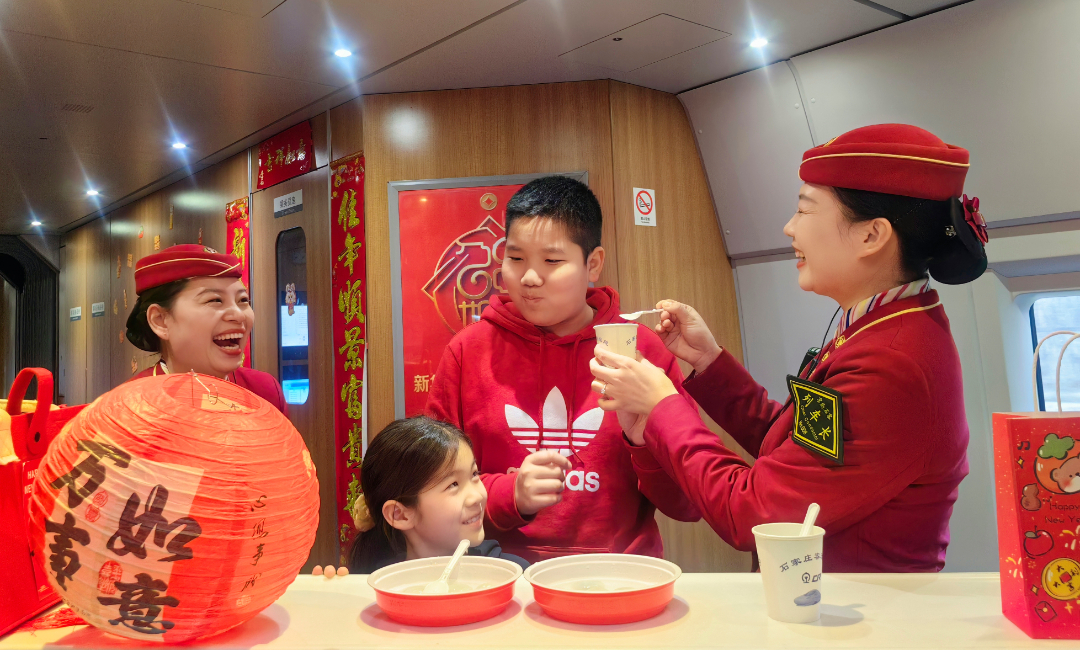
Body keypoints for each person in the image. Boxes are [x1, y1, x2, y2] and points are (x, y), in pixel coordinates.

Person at [590, 124, 988, 572]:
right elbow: (796, 448)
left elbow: (754, 513)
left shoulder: (893, 363)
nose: (789, 227)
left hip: (861, 608)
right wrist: (709, 361)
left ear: (871, 236)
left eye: (804, 210)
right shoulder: (882, 325)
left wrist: (663, 405)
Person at [427, 175, 700, 564]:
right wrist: (510, 494)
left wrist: (643, 444)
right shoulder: (468, 351)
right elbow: (432, 489)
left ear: (593, 264)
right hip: (500, 570)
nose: (529, 277)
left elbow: (689, 502)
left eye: (552, 261)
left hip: (618, 572)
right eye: (515, 258)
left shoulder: (640, 350)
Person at [344, 416, 529, 573]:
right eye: (453, 484)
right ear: (399, 514)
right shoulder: (375, 587)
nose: (478, 496)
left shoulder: (512, 575)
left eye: (474, 474)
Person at [126, 244, 288, 414]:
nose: (239, 315)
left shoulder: (264, 391)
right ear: (160, 321)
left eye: (243, 300)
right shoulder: (130, 407)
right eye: (215, 300)